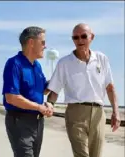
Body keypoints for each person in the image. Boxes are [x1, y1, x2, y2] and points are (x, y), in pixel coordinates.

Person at [46, 23, 121, 157]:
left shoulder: (102, 59)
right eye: (75, 37)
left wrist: (116, 112)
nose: (79, 40)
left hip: (98, 114)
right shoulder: (64, 63)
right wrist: (50, 104)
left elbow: (110, 88)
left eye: (83, 36)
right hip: (76, 114)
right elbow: (55, 90)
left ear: (91, 37)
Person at [2, 26, 53, 157]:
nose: (45, 46)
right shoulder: (14, 63)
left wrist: (60, 80)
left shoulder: (37, 65)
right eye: (42, 42)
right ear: (31, 42)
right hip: (20, 121)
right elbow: (11, 97)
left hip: (37, 122)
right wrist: (39, 107)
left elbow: (42, 91)